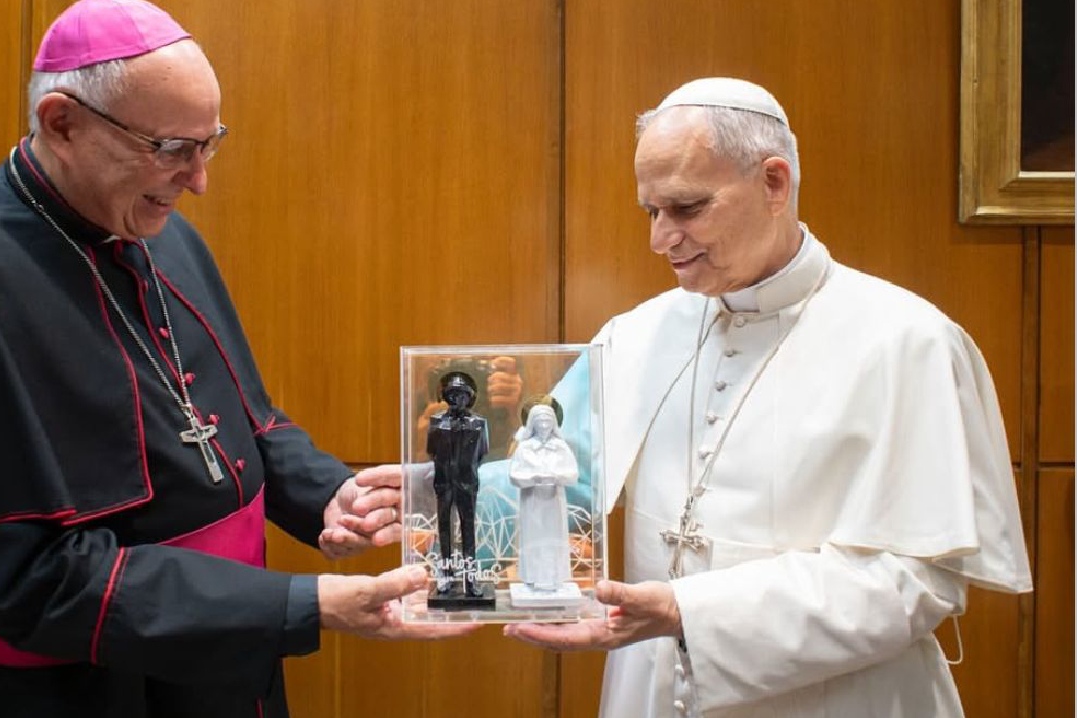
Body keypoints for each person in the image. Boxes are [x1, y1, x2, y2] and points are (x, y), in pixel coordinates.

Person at [0, 1, 470, 716]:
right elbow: (33, 580)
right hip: (83, 691)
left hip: (228, 658)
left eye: (209, 143)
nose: (197, 181)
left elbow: (240, 422)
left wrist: (325, 497)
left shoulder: (158, 230)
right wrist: (302, 603)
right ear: (63, 122)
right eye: (169, 148)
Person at [504, 77, 1033, 717]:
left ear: (774, 183)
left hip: (841, 700)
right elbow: (548, 480)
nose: (660, 239)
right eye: (651, 212)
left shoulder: (907, 341)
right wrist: (434, 484)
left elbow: (917, 583)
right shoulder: (637, 335)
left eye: (687, 208)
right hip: (650, 691)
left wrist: (687, 611)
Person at [426, 371, 492, 600]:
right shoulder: (436, 423)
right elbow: (431, 451)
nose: (457, 399)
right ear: (445, 396)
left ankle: (470, 577)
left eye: (462, 394)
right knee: (444, 528)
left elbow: (482, 453)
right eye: (452, 394)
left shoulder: (479, 424)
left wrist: (466, 470)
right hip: (444, 482)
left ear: (470, 396)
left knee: (468, 529)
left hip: (467, 483)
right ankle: (445, 573)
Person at [508, 400, 579, 595]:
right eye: (540, 422)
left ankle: (554, 577)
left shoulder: (561, 447)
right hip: (532, 502)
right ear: (532, 424)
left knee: (554, 539)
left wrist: (557, 477)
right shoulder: (525, 448)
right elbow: (514, 475)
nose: (544, 426)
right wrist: (533, 478)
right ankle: (533, 577)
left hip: (554, 502)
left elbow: (572, 474)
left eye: (548, 422)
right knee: (533, 539)